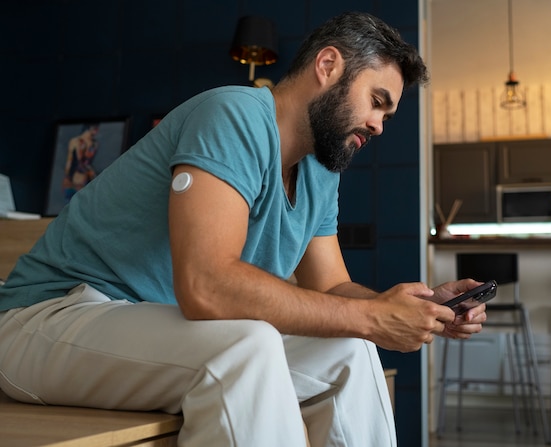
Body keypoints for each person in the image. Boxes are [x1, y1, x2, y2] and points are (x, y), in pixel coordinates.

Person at [0, 11, 486, 447]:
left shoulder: (321, 170)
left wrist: (408, 309)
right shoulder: (234, 114)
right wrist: (375, 319)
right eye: (376, 101)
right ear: (329, 66)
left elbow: (333, 287)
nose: (380, 125)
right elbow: (206, 288)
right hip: (46, 319)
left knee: (351, 352)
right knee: (247, 345)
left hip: (145, 325)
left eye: (388, 113)